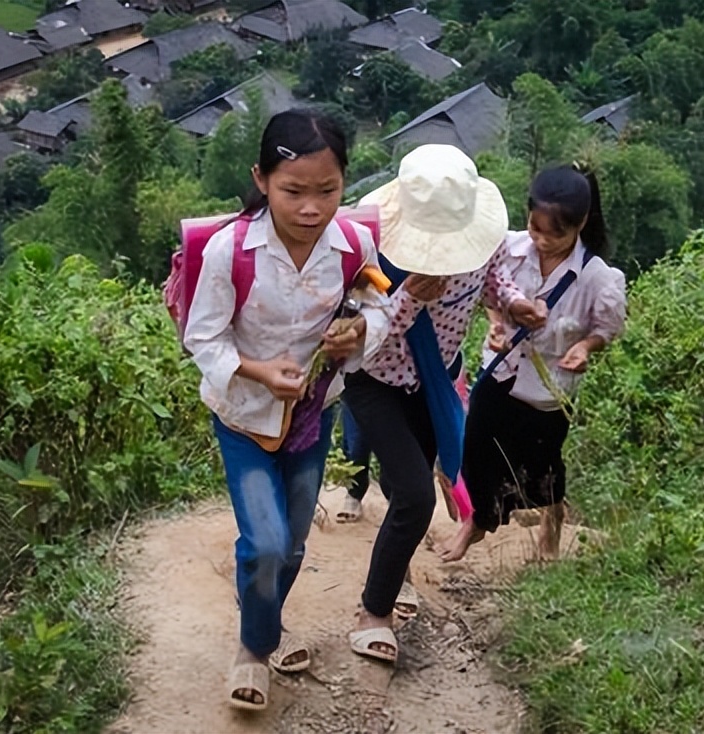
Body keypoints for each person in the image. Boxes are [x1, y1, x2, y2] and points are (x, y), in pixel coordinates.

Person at [182, 109, 380, 710]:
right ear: (262, 180)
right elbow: (204, 339)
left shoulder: (356, 245)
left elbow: (375, 307)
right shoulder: (230, 251)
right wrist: (260, 371)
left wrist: (358, 333)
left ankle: (262, 610)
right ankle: (255, 646)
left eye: (328, 190)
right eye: (294, 191)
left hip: (312, 416)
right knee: (266, 542)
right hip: (243, 414)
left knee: (292, 543)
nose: (313, 208)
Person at [342, 144, 542, 664]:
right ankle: (373, 612)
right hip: (376, 381)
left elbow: (494, 278)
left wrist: (514, 302)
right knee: (415, 496)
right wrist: (411, 295)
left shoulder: (485, 241)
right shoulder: (370, 253)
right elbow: (369, 336)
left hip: (433, 384)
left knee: (398, 486)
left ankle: (397, 573)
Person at [438, 165, 627, 563]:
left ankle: (551, 520)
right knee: (477, 448)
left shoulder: (596, 277)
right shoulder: (508, 247)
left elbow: (606, 327)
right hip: (502, 368)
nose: (540, 240)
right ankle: (476, 523)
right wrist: (496, 326)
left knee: (542, 463)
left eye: (553, 233)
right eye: (534, 227)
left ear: (580, 225)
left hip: (549, 388)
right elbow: (490, 294)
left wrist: (586, 348)